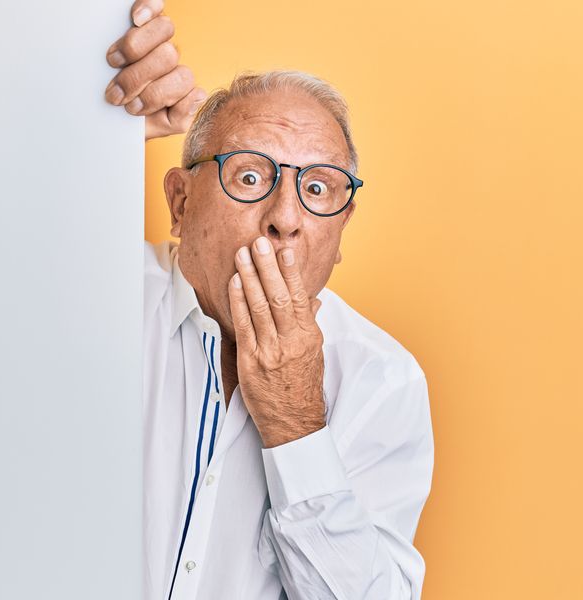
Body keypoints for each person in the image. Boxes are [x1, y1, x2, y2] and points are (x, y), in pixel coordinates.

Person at [106, 2, 435, 598]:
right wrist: (81, 117)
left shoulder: (383, 382)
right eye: (251, 177)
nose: (285, 219)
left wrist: (295, 424)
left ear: (341, 233)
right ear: (180, 203)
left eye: (316, 189)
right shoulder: (102, 297)